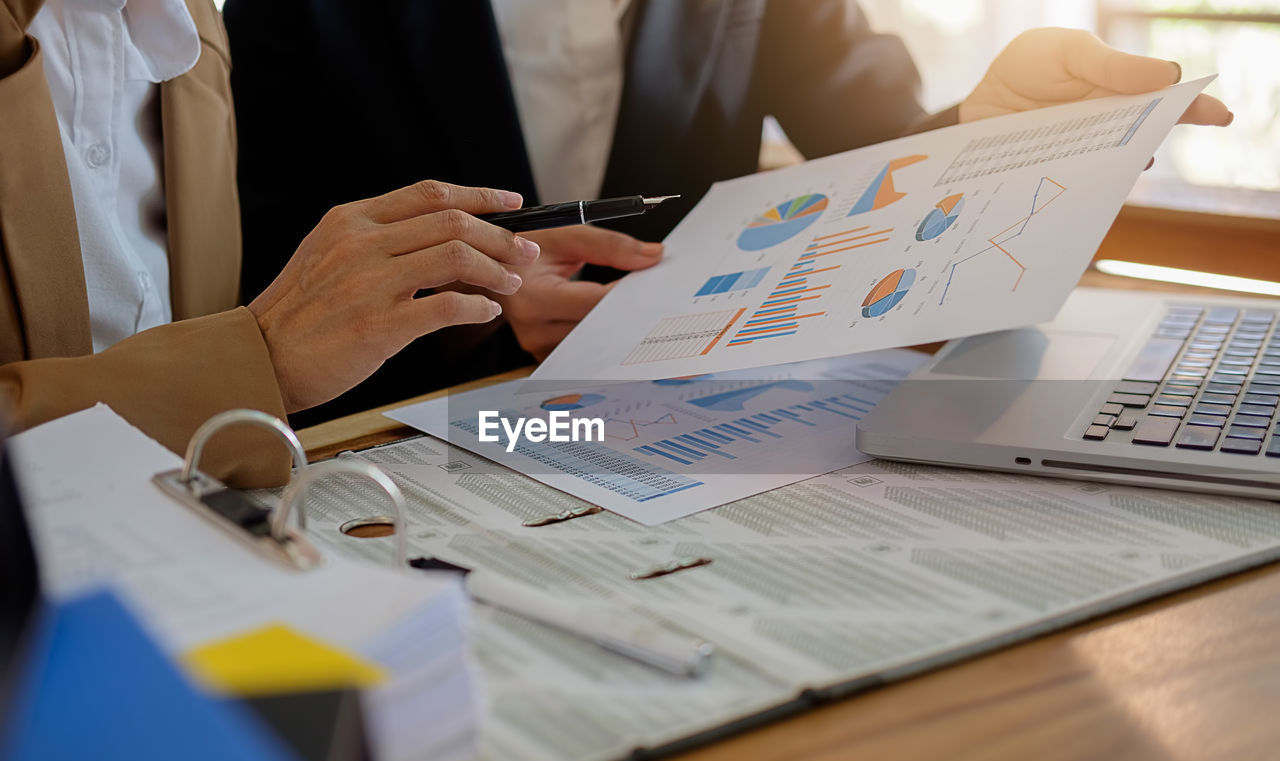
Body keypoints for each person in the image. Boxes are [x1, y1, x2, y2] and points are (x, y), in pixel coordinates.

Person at [224, 0, 1230, 424]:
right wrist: (471, 313)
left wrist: (994, 132)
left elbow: (883, 159)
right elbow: (262, 280)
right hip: (419, 436)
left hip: (693, 419)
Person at [0, 0, 661, 485]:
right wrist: (257, 358)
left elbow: (207, 319)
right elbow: (249, 343)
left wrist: (451, 294)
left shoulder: (188, 25)